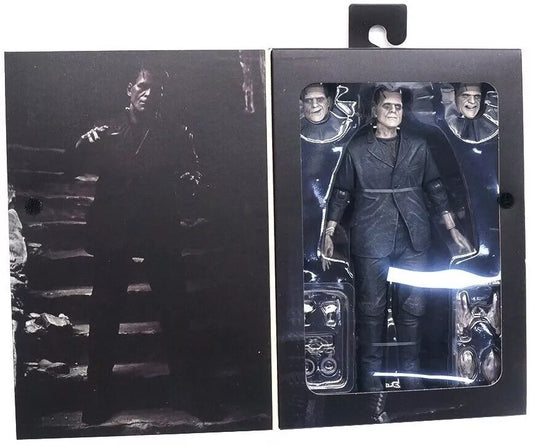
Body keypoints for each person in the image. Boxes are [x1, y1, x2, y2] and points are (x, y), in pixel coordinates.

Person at [68, 65, 202, 424]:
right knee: (105, 312)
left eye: (156, 89)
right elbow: (73, 164)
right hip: (115, 231)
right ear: (130, 89)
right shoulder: (106, 129)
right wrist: (82, 145)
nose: (149, 94)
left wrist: (191, 179)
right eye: (143, 86)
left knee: (175, 310)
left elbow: (192, 171)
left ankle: (187, 390)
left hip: (158, 229)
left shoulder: (174, 132)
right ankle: (97, 392)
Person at [322, 86, 471, 392]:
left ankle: (412, 383)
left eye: (398, 106)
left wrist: (452, 229)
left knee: (413, 310)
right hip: (370, 236)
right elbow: (341, 192)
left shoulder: (418, 145)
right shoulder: (357, 149)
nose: (393, 110)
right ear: (374, 111)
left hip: (413, 237)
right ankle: (370, 386)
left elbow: (435, 187)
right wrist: (329, 231)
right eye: (387, 105)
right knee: (371, 312)